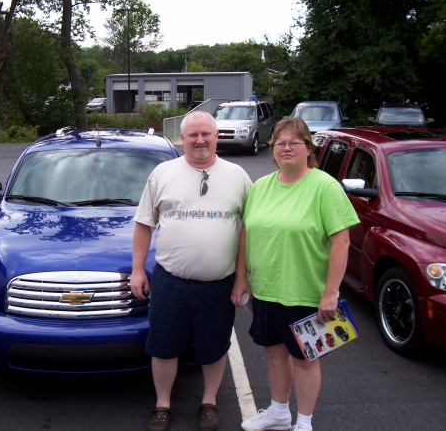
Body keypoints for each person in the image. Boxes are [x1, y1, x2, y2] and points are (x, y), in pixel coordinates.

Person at [232, 117, 359, 431]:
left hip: (305, 292)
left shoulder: (324, 187)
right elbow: (246, 233)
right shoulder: (261, 187)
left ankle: (304, 422)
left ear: (308, 149)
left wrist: (331, 293)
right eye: (280, 142)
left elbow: (341, 242)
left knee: (304, 359)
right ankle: (278, 413)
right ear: (273, 148)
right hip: (265, 289)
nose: (286, 148)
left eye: (294, 142)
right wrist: (241, 277)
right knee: (275, 354)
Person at [131, 110, 252, 431]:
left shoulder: (238, 176)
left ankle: (209, 402)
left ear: (216, 137)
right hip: (170, 282)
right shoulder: (162, 173)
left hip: (219, 284)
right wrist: (137, 270)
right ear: (182, 138)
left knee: (214, 348)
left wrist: (242, 279)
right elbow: (143, 224)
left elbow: (248, 229)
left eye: (206, 134)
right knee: (163, 347)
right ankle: (163, 404)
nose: (200, 140)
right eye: (193, 135)